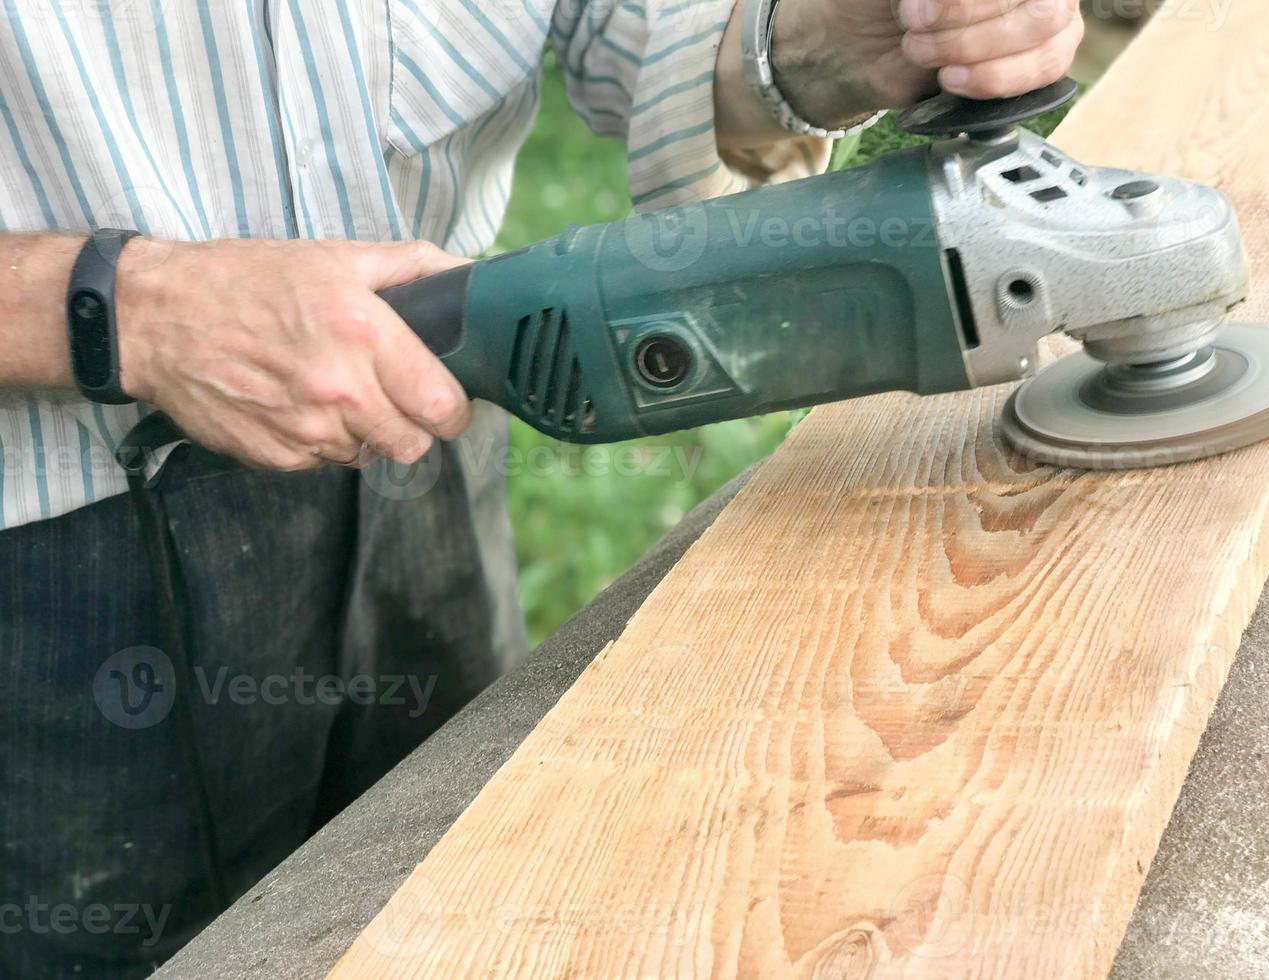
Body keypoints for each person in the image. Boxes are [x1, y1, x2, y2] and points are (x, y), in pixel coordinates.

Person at [0, 0, 1084, 974]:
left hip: (422, 437)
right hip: (48, 563)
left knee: (442, 912)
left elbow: (637, 26)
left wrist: (836, 36)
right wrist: (124, 306)